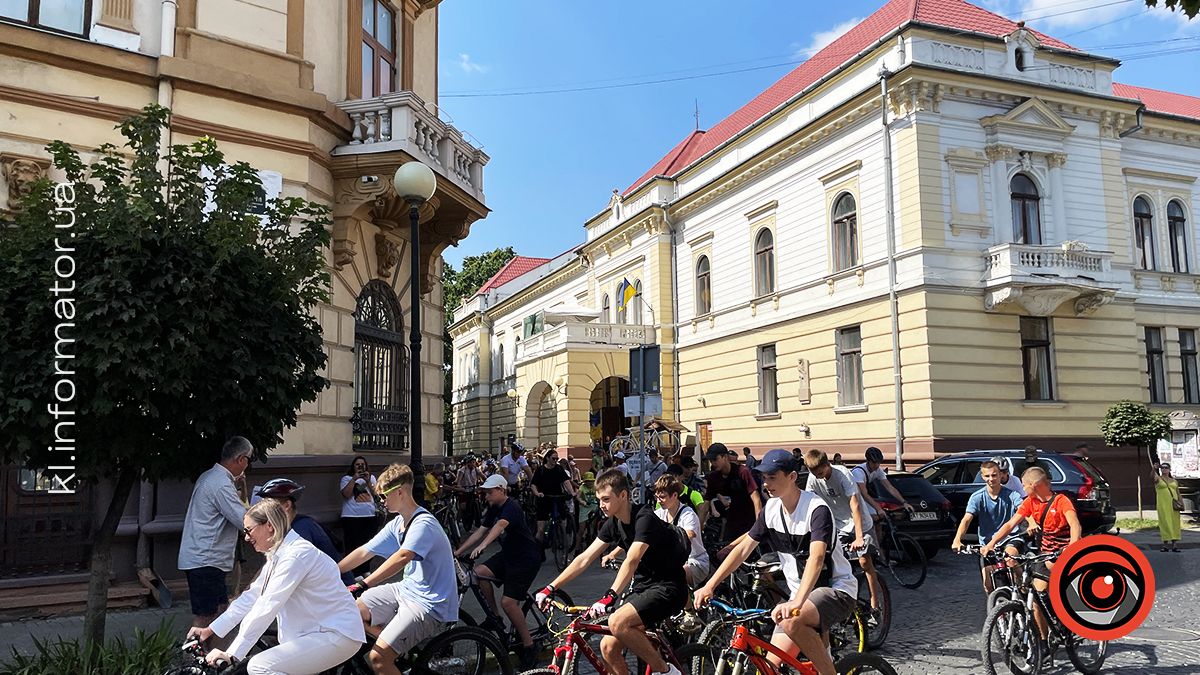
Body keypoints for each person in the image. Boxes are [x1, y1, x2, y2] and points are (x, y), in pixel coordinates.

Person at [694, 449, 856, 675]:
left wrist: (797, 602)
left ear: (791, 477)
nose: (766, 483)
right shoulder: (771, 509)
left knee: (791, 621)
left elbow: (817, 558)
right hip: (798, 599)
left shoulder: (816, 509)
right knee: (769, 668)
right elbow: (742, 550)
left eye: (772, 477)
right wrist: (710, 585)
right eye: (763, 477)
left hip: (835, 589)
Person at [536, 469, 688, 675]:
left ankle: (667, 671)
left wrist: (610, 596)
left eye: (606, 499)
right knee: (607, 647)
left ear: (623, 495)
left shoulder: (645, 518)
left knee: (618, 622)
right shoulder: (613, 523)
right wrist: (550, 587)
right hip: (643, 588)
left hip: (668, 587)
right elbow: (584, 559)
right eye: (599, 499)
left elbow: (632, 559)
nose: (601, 504)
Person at [188, 500, 364, 674]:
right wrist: (210, 630)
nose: (247, 537)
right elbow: (251, 597)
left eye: (248, 530)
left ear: (269, 526)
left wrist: (233, 654)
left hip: (336, 633)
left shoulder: (296, 555)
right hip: (317, 634)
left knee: (259, 666)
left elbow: (267, 605)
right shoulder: (279, 554)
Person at [338, 464, 459, 675]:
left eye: (383, 497)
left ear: (400, 492)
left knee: (378, 659)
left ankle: (390, 650)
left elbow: (402, 558)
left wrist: (364, 583)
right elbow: (365, 551)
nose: (381, 503)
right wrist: (331, 571)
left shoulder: (424, 524)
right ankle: (394, 643)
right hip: (406, 590)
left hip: (429, 603)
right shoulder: (398, 523)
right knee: (349, 610)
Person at [982, 467, 1081, 663]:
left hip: (1065, 552)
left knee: (1056, 590)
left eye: (1024, 485)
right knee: (1036, 597)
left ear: (1034, 486)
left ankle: (1067, 620)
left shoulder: (1061, 501)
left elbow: (1075, 524)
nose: (1022, 488)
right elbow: (1010, 524)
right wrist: (991, 544)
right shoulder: (1030, 502)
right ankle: (1043, 644)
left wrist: (1073, 545)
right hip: (1045, 554)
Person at [454, 474, 542, 668]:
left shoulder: (512, 507)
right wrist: (458, 551)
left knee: (509, 602)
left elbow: (499, 527)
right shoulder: (495, 507)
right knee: (478, 573)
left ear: (501, 490)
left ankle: (529, 646)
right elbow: (481, 530)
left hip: (526, 559)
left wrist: (483, 546)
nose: (486, 497)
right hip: (509, 555)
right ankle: (495, 617)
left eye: (489, 492)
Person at [179, 436, 253, 630]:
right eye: (248, 460)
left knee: (221, 611)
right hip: (205, 560)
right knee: (205, 618)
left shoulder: (210, 476)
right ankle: (192, 658)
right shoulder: (220, 483)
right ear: (241, 459)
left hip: (206, 559)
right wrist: (269, 523)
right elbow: (242, 519)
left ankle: (211, 656)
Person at [802, 449, 883, 612]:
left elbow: (855, 505)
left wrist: (859, 537)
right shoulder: (813, 478)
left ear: (827, 464)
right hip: (839, 526)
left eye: (820, 472)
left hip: (860, 523)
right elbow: (809, 505)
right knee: (836, 566)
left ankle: (875, 602)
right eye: (814, 473)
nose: (818, 476)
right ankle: (844, 601)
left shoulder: (843, 474)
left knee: (865, 562)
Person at [255, 479, 352, 585]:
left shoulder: (301, 528)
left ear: (287, 505)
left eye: (270, 504)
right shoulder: (287, 527)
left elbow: (288, 569)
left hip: (335, 589)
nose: (264, 510)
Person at [950, 460, 1024, 593]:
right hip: (986, 543)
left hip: (1010, 538)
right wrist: (957, 540)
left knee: (1011, 559)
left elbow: (1023, 511)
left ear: (1000, 475)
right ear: (982, 477)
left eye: (994, 475)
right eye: (987, 476)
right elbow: (966, 519)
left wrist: (1032, 524)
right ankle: (996, 611)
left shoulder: (1012, 495)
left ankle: (1023, 582)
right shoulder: (977, 497)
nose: (991, 479)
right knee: (987, 584)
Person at [653, 474, 709, 587]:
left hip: (695, 562)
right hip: (671, 561)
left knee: (674, 576)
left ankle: (687, 605)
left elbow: (689, 534)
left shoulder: (688, 514)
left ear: (674, 495)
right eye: (656, 497)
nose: (659, 501)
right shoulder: (660, 513)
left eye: (662, 497)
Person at [704, 443, 763, 544]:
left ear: (725, 457)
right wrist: (700, 525)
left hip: (749, 519)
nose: (713, 463)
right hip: (732, 520)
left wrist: (759, 524)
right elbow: (706, 503)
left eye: (715, 459)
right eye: (711, 461)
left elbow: (756, 498)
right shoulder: (713, 477)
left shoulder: (742, 472)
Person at [339, 456, 380, 577]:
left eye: (362, 464)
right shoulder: (346, 479)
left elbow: (377, 495)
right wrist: (354, 479)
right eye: (357, 465)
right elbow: (346, 494)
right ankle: (354, 571)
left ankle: (364, 569)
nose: (360, 467)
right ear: (353, 467)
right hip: (351, 517)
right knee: (353, 545)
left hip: (369, 516)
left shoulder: (371, 478)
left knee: (368, 544)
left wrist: (367, 481)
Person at [849, 447, 913, 519]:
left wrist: (904, 502)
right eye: (874, 463)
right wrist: (878, 508)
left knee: (878, 519)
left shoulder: (878, 471)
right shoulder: (858, 472)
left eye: (878, 463)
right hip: (850, 497)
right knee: (873, 517)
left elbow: (890, 488)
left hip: (860, 497)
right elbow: (864, 494)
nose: (876, 465)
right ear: (868, 461)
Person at [531, 448, 573, 543]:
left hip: (558, 497)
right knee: (541, 529)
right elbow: (533, 484)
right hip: (544, 498)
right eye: (553, 459)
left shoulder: (559, 469)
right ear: (547, 458)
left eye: (556, 459)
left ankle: (561, 538)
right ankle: (538, 549)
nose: (555, 461)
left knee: (563, 520)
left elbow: (566, 481)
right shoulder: (540, 470)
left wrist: (571, 492)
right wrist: (537, 493)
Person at [1153, 462, 1183, 552]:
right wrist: (1153, 469)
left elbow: (1178, 492)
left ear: (1170, 469)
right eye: (1162, 468)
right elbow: (1152, 477)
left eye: (1166, 468)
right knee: (1165, 523)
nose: (1164, 469)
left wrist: (1181, 503)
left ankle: (1175, 545)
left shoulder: (1174, 481)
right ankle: (1165, 545)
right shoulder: (1158, 478)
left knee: (1175, 523)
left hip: (1174, 505)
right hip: (1163, 504)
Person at [455, 454, 484, 530]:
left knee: (477, 501)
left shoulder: (476, 469)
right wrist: (459, 486)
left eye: (474, 462)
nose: (472, 464)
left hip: (473, 489)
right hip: (464, 490)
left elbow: (483, 476)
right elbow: (459, 481)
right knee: (463, 507)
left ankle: (478, 518)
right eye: (471, 462)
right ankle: (457, 523)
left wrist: (487, 481)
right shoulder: (462, 470)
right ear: (467, 463)